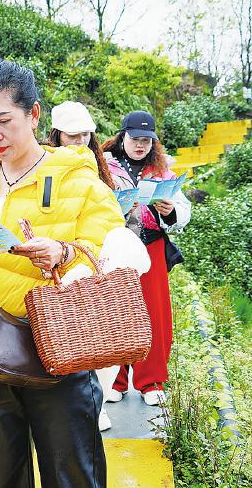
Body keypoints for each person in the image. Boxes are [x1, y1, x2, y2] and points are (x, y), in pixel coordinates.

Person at [0, 59, 125, 488]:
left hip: (60, 355)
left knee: (70, 476)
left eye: (3, 121)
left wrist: (65, 253)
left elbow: (112, 263)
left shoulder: (79, 180)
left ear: (33, 115)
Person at [101, 110, 191, 407]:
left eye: (147, 141)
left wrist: (170, 212)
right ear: (122, 136)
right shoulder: (104, 165)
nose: (141, 146)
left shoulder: (162, 169)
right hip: (116, 244)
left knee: (155, 314)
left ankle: (150, 381)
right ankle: (116, 380)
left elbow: (182, 210)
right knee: (114, 313)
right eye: (136, 139)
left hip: (151, 245)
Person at [49, 100, 118, 432]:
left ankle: (97, 403)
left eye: (83, 137)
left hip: (96, 260)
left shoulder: (98, 168)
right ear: (56, 136)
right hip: (64, 262)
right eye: (70, 137)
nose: (77, 144)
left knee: (99, 337)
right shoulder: (48, 167)